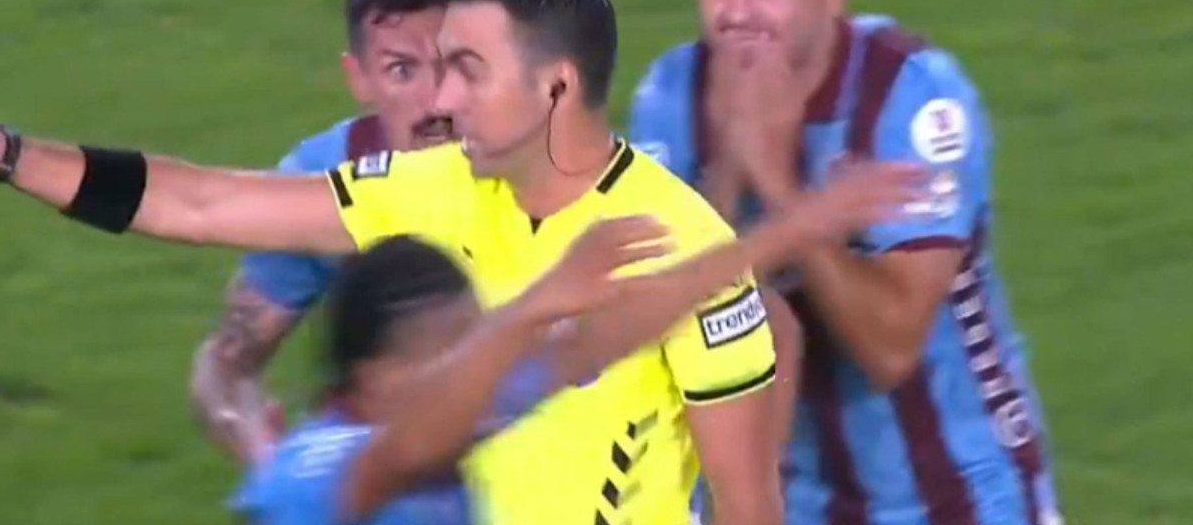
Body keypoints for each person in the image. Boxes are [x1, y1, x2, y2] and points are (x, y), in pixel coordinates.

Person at [0, 0, 840, 524]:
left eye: (468, 70)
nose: (440, 100)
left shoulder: (684, 248)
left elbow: (748, 504)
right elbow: (197, 204)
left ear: (556, 86)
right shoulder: (426, 188)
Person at [627, 0, 1064, 525]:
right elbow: (661, 324)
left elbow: (889, 350)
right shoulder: (671, 96)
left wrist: (778, 183)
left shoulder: (910, 100)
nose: (736, 14)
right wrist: (731, 173)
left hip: (961, 496)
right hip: (798, 499)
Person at [231, 160, 918, 525]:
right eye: (452, 346)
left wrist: (797, 227)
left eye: (475, 334)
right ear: (374, 378)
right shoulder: (324, 473)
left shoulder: (448, 420)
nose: (480, 364)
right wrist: (530, 310)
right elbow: (404, 449)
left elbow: (608, 336)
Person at [190, 0, 464, 462]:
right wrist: (259, 445)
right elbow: (226, 365)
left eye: (452, 65)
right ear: (359, 77)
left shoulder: (550, 162)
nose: (435, 100)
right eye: (402, 71)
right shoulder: (320, 179)